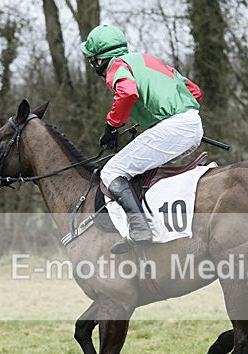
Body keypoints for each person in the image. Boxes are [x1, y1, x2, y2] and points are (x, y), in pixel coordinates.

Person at [80, 25, 204, 254]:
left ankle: (140, 228)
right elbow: (194, 91)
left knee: (111, 171)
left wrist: (112, 126)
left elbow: (127, 93)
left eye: (91, 59)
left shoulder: (117, 67)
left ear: (98, 60)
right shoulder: (148, 60)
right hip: (192, 124)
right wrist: (156, 116)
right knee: (138, 169)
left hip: (174, 128)